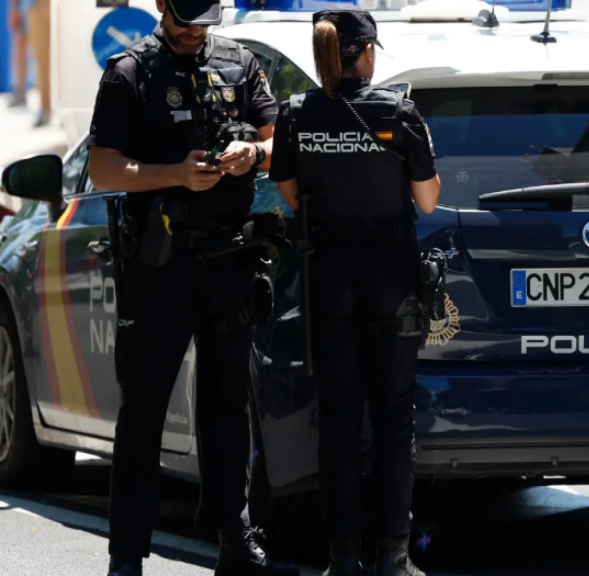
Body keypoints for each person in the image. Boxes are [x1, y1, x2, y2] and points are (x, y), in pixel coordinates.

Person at [87, 1, 298, 575]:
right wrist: (175, 174)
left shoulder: (241, 63)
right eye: (185, 19)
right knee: (144, 410)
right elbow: (104, 169)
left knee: (228, 408)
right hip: (160, 265)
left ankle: (234, 539)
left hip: (229, 258)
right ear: (160, 6)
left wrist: (251, 153)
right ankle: (126, 555)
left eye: (205, 21)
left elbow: (283, 144)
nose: (195, 31)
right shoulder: (130, 71)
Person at [267, 6, 441, 576]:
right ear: (366, 52)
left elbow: (291, 194)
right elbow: (428, 201)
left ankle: (343, 560)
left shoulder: (298, 114)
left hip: (329, 275)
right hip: (390, 275)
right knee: (393, 419)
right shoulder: (399, 112)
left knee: (339, 421)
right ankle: (392, 557)